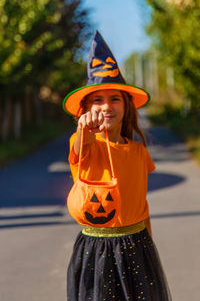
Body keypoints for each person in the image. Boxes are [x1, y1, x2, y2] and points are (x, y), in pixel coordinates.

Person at [63, 31, 172, 301]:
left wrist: (149, 247)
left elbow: (141, 206)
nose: (106, 107)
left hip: (137, 247)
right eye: (97, 100)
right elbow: (81, 145)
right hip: (96, 252)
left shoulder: (138, 152)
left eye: (115, 99)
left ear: (126, 107)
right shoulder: (85, 144)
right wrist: (85, 129)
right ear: (86, 108)